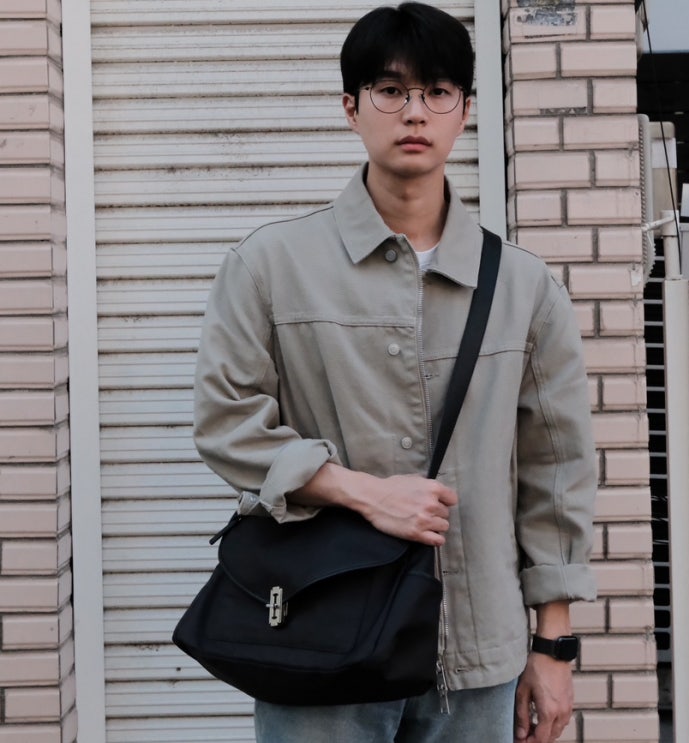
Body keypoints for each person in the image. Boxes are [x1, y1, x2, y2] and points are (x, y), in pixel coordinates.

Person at [193, 3, 596, 742]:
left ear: (465, 110)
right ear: (351, 107)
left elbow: (557, 471)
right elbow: (227, 424)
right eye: (389, 90)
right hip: (320, 642)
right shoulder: (270, 266)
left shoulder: (523, 286)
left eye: (437, 91)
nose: (414, 112)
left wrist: (553, 645)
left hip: (476, 657)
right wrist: (362, 492)